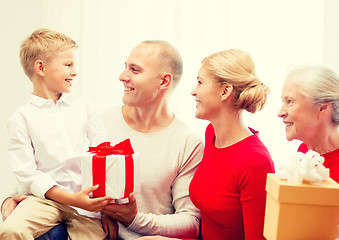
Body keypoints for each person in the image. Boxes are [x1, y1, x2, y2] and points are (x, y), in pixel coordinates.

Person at [137, 49, 275, 240]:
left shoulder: (255, 161)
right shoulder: (212, 135)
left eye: (200, 82)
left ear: (225, 91)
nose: (193, 91)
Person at [0, 29, 111, 240]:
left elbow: (104, 157)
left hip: (87, 203)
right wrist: (70, 198)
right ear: (41, 68)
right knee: (11, 230)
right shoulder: (20, 118)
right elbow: (28, 175)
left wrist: (107, 210)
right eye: (68, 65)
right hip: (44, 201)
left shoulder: (85, 107)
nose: (75, 71)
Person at [100, 40, 203, 239]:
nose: (122, 77)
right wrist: (96, 213)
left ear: (163, 81)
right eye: (125, 67)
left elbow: (190, 222)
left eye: (135, 70)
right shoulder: (100, 122)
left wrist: (134, 219)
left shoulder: (188, 142)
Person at [277, 64, 339, 181]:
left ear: (323, 108)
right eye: (283, 101)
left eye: (290, 101)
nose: (280, 113)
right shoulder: (304, 153)